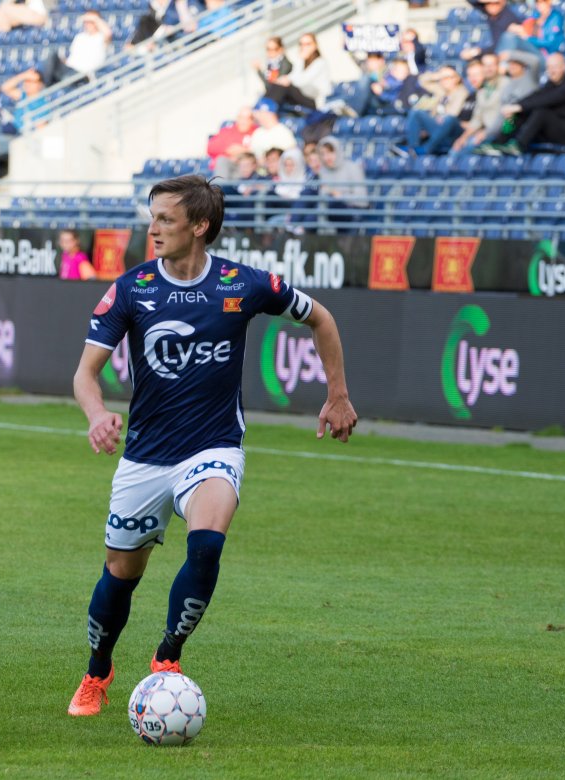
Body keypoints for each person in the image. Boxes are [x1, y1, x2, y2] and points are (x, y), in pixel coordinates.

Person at [66, 174, 356, 716]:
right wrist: (97, 411)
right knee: (119, 577)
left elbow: (321, 318)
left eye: (165, 220)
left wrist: (337, 394)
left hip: (213, 447)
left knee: (208, 543)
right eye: (151, 218)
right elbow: (86, 373)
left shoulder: (243, 284)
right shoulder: (131, 289)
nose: (152, 229)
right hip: (145, 457)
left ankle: (167, 656)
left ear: (199, 227)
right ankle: (97, 670)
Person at [476, 53, 565, 156]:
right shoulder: (550, 84)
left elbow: (547, 99)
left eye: (555, 67)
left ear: (564, 67)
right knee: (517, 114)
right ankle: (498, 143)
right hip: (547, 131)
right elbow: (535, 96)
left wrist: (519, 107)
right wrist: (515, 107)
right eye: (549, 67)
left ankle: (519, 145)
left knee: (541, 111)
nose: (551, 71)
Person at [401, 65, 470, 155]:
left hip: (451, 130)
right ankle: (413, 148)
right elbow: (422, 80)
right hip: (437, 125)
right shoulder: (441, 90)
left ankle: (426, 149)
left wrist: (437, 118)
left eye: (448, 77)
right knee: (415, 112)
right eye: (443, 78)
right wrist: (438, 75)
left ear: (457, 78)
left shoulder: (461, 92)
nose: (444, 80)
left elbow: (453, 114)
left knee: (449, 119)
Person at [263, 32, 331, 111]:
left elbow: (302, 81)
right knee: (278, 84)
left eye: (307, 44)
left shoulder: (320, 62)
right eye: (301, 44)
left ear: (315, 45)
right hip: (304, 96)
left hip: (316, 101)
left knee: (284, 86)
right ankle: (262, 108)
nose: (304, 47)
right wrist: (284, 79)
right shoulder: (303, 62)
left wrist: (300, 60)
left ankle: (266, 110)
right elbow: (293, 75)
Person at [316, 136, 368, 221]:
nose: (326, 157)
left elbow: (362, 201)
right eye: (323, 154)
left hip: (352, 209)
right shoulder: (322, 171)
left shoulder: (353, 168)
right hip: (328, 210)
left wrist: (340, 196)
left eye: (330, 152)